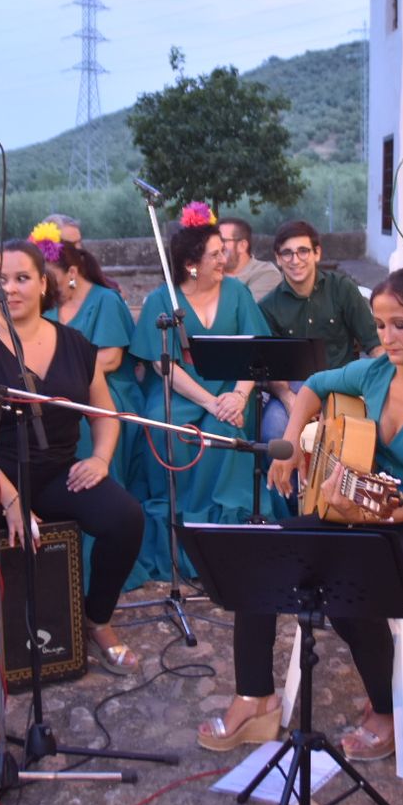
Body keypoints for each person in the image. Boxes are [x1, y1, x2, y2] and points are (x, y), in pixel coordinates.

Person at [198, 268, 403, 761]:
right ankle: (255, 697)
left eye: (401, 325)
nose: (388, 338)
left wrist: (356, 513)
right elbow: (313, 386)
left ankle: (390, 707)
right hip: (373, 507)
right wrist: (290, 442)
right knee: (262, 554)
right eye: (380, 325)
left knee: (351, 585)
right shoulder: (376, 372)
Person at [0, 240, 146, 701]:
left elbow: (104, 413)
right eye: (1, 279)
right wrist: (8, 496)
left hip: (52, 470)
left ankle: (96, 619)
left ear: (43, 284)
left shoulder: (75, 345)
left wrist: (100, 458)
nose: (9, 288)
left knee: (125, 520)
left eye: (21, 278)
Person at [129, 210, 278, 576]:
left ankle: (228, 529)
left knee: (227, 431)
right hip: (182, 390)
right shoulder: (162, 299)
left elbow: (256, 350)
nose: (224, 258)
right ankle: (183, 530)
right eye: (215, 254)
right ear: (191, 265)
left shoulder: (237, 291)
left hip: (232, 386)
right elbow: (162, 365)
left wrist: (239, 397)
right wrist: (209, 401)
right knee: (169, 428)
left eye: (223, 250)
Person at [36, 228, 144, 493]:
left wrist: (63, 377)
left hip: (109, 389)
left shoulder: (106, 300)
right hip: (58, 389)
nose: (46, 288)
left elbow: (111, 359)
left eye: (51, 279)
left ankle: (95, 488)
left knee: (79, 421)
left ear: (72, 273)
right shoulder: (48, 305)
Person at [259, 218, 381, 449]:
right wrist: (290, 400)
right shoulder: (268, 306)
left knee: (355, 439)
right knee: (274, 433)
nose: (295, 260)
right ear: (278, 258)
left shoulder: (342, 288)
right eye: (287, 253)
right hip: (294, 387)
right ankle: (286, 476)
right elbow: (271, 369)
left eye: (303, 251)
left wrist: (387, 385)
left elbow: (374, 343)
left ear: (317, 253)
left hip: (342, 384)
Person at [218, 216, 282, 300]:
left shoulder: (267, 273)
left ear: (242, 246)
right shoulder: (210, 271)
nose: (215, 246)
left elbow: (244, 306)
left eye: (222, 241)